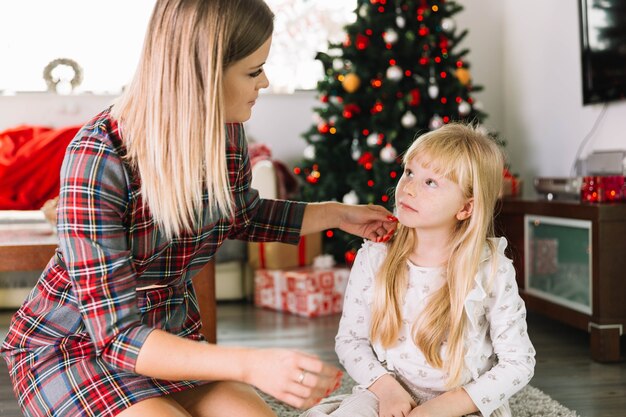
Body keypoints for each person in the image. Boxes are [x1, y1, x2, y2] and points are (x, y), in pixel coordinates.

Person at [0, 1, 398, 416]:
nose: (264, 81)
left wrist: (337, 214)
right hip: (76, 348)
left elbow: (242, 214)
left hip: (169, 339)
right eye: (252, 70)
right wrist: (251, 364)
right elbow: (116, 336)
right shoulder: (99, 156)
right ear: (203, 75)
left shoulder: (226, 134)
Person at [302, 124, 536, 417]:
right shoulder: (375, 257)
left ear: (466, 208)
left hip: (463, 403)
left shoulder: (491, 269)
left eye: (431, 182)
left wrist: (439, 410)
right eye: (409, 172)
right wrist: (388, 392)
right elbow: (350, 341)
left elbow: (519, 363)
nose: (408, 187)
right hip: (391, 392)